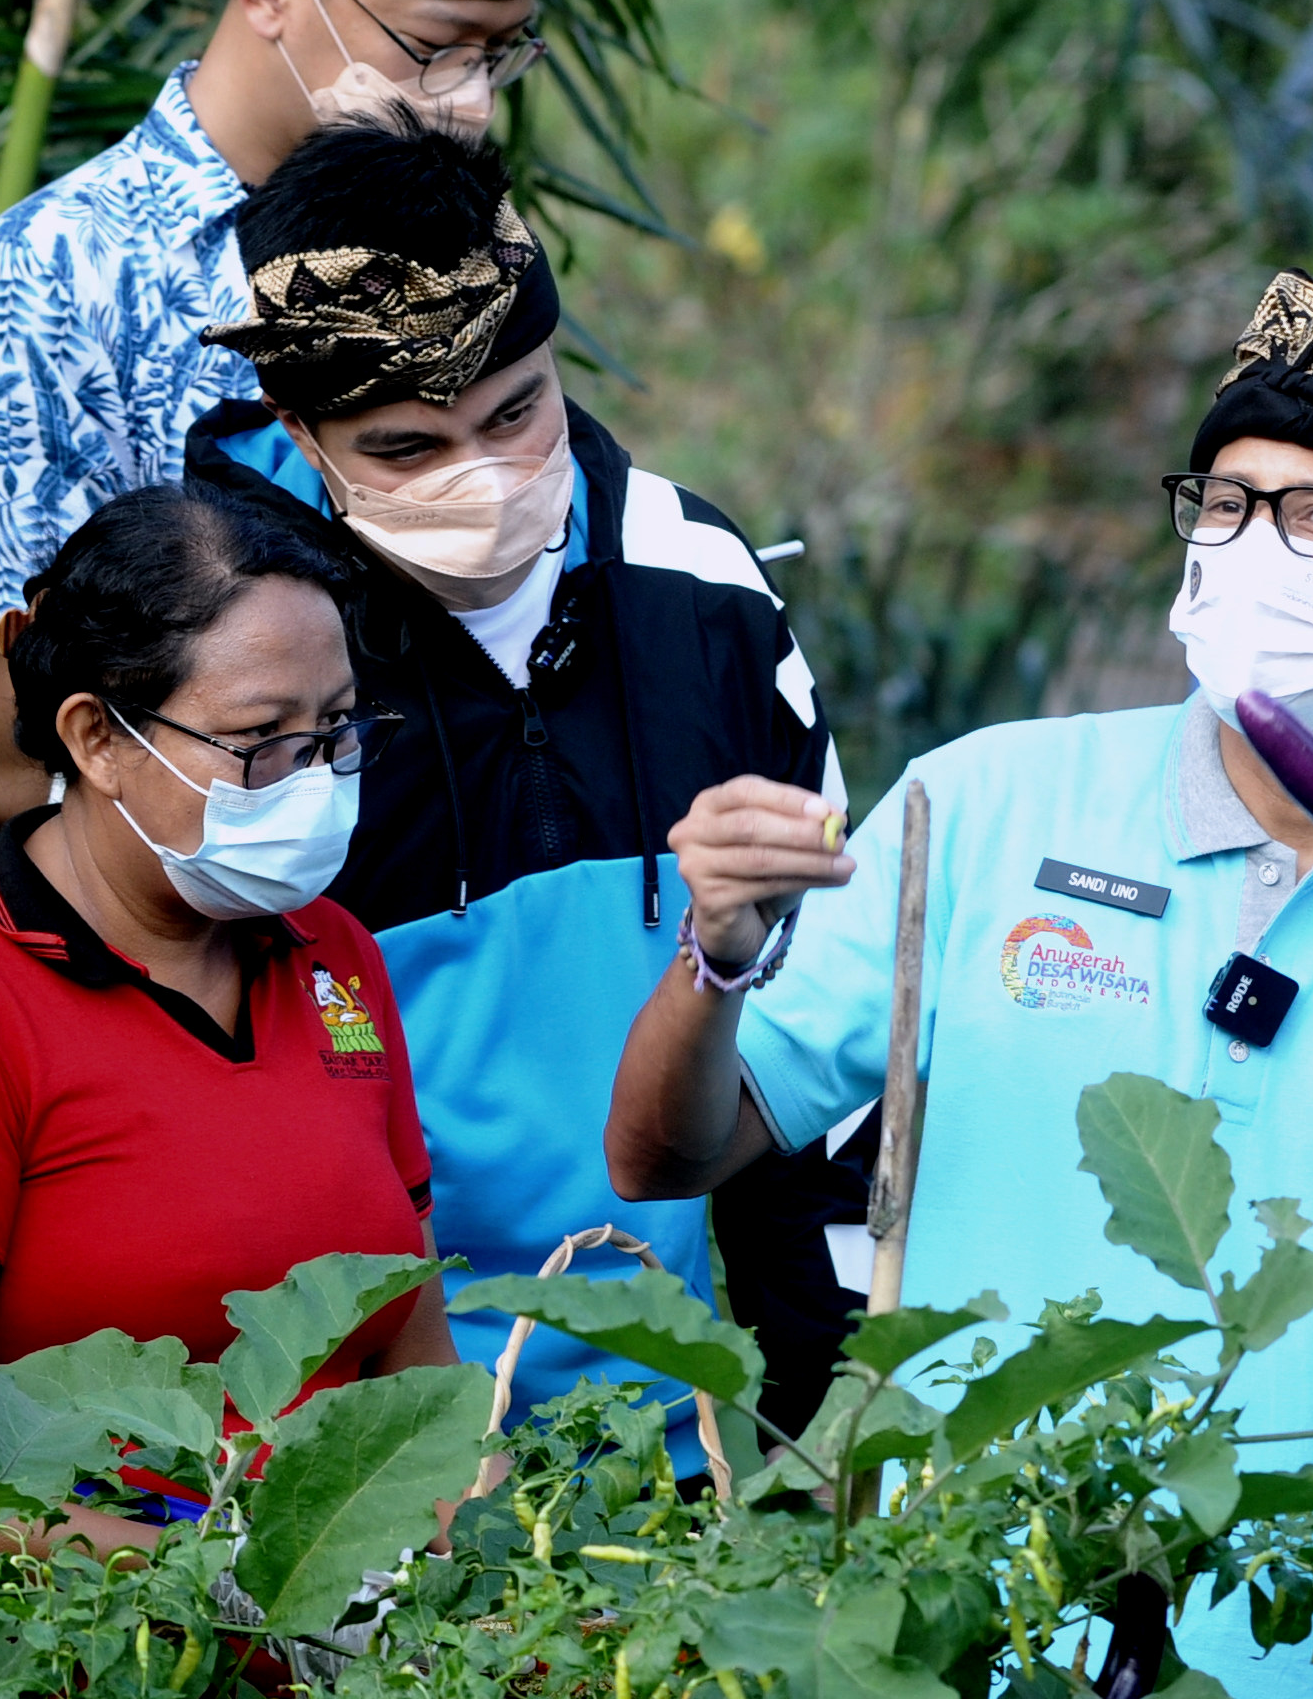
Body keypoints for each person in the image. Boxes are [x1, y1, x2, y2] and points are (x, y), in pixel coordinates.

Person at [605, 269, 1313, 1696]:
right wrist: (718, 957)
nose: (1252, 550)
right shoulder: (980, 801)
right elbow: (661, 1153)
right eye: (1227, 505)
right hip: (972, 1632)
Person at [180, 118, 853, 1460]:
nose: (482, 479)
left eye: (515, 413)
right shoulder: (233, 658)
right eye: (408, 450)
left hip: (705, 1415)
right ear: (303, 432)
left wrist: (818, 1388)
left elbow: (822, 993)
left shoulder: (700, 580)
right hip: (379, 1439)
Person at [0, 0, 601, 827]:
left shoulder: (465, 230)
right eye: (435, 46)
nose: (471, 100)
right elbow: (8, 762)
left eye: (501, 52)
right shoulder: (39, 287)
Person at [0, 485, 453, 1559]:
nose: (315, 781)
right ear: (97, 737)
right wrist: (229, 1590)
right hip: (87, 1645)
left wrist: (496, 1573)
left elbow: (419, 1373)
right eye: (260, 739)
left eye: (336, 729)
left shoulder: (334, 953)